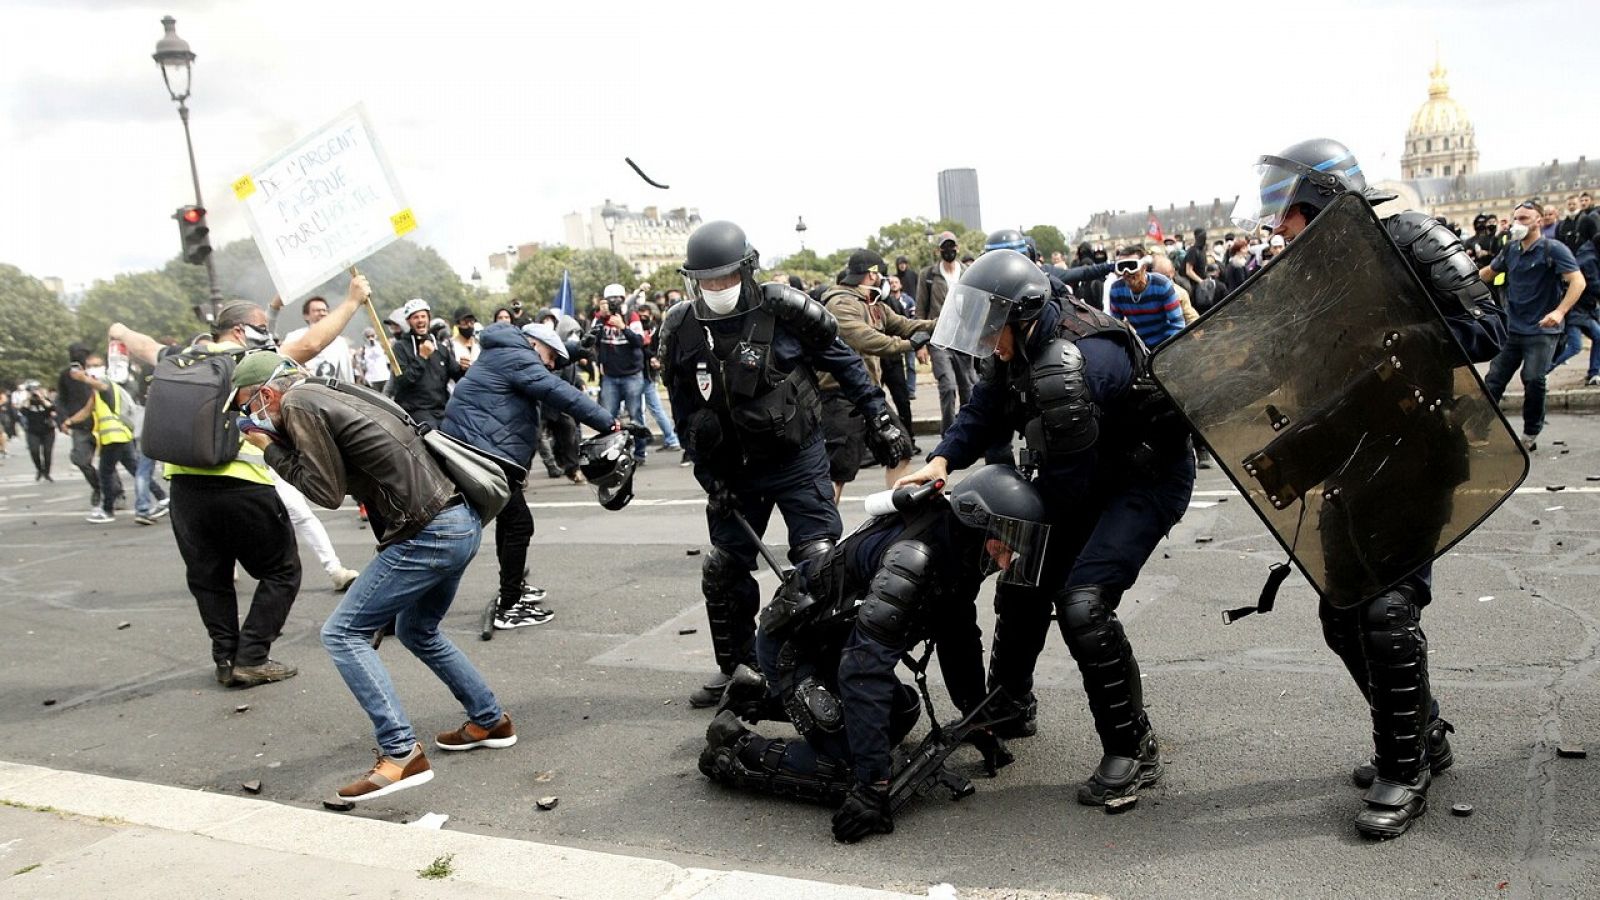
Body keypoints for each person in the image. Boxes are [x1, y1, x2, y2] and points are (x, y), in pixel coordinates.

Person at [1231, 137, 1508, 837]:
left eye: (1288, 210)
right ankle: (1423, 738)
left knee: (1387, 614)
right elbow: (1273, 353)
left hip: (1417, 452)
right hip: (1343, 454)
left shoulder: (1410, 235)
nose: (1279, 226)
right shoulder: (1307, 269)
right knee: (1341, 615)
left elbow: (1488, 326)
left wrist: (1407, 338)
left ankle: (1402, 771)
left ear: (1322, 197)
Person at [897, 248, 1196, 808]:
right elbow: (985, 407)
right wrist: (942, 459)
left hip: (1145, 480)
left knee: (1082, 601)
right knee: (1024, 578)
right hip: (1088, 472)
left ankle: (1133, 748)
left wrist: (1009, 537)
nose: (989, 342)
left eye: (993, 330)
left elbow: (1068, 494)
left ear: (1023, 315)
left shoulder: (1069, 365)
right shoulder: (1022, 339)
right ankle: (1009, 702)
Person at [699, 466, 1050, 843]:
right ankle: (733, 746)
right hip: (795, 649)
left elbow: (958, 638)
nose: (1004, 561)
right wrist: (872, 785)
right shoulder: (912, 561)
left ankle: (761, 696)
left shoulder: (959, 553)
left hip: (834, 648)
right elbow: (862, 670)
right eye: (1003, 543)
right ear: (976, 523)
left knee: (901, 712)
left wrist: (978, 721)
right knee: (853, 761)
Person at [230, 352, 515, 803]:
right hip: (456, 520)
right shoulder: (330, 391)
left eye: (246, 407)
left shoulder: (300, 403)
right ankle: (489, 719)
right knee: (417, 630)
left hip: (429, 532)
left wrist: (267, 448)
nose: (250, 418)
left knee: (342, 634)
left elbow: (322, 490)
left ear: (266, 394)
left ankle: (401, 752)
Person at [658, 220, 910, 708]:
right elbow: (685, 409)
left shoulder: (786, 312)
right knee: (724, 569)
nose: (716, 289)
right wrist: (708, 477)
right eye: (706, 281)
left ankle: (822, 666)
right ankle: (740, 669)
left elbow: (845, 362)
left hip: (797, 457)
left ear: (747, 270)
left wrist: (880, 415)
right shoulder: (684, 328)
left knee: (819, 563)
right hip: (732, 470)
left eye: (725, 278)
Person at [108, 276, 370, 688]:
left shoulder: (181, 357)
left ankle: (226, 659)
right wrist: (353, 301)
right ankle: (252, 656)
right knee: (282, 571)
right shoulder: (247, 360)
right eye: (261, 325)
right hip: (241, 483)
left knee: (209, 579)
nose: (267, 333)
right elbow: (310, 345)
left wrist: (119, 331)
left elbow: (142, 345)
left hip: (185, 491)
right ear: (238, 331)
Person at [443, 322, 617, 630]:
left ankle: (511, 592)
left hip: (480, 449)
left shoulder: (509, 351)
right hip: (485, 453)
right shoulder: (517, 357)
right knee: (519, 525)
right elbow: (558, 391)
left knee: (511, 523)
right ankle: (509, 606)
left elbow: (548, 366)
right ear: (535, 345)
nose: (551, 366)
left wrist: (576, 349)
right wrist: (607, 422)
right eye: (550, 358)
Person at [818, 250, 931, 498]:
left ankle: (897, 518)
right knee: (837, 473)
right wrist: (908, 345)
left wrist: (941, 325)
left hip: (868, 395)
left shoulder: (874, 304)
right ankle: (822, 534)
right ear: (872, 274)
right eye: (881, 273)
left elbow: (905, 325)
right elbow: (866, 339)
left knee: (900, 451)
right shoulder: (841, 303)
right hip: (840, 396)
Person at [1478, 200, 1586, 451]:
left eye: (1525, 219)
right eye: (1517, 218)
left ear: (1539, 221)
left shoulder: (1553, 249)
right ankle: (1478, 431)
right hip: (1513, 329)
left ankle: (1530, 433)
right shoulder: (1511, 250)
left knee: (1534, 379)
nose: (1519, 223)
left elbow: (1577, 282)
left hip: (1542, 330)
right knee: (1493, 380)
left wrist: (1559, 312)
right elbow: (1488, 273)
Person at [60, 353, 164, 526]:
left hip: (113, 435)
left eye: (95, 365)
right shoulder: (99, 390)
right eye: (89, 365)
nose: (92, 368)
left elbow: (100, 385)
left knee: (105, 474)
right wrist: (69, 421)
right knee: (135, 469)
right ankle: (161, 497)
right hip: (119, 436)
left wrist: (83, 378)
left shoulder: (106, 382)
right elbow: (87, 410)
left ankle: (107, 509)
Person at [917, 232, 976, 434]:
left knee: (968, 388)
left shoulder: (968, 272)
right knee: (948, 387)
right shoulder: (928, 276)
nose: (949, 250)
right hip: (939, 338)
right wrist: (920, 344)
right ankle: (949, 435)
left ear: (957, 248)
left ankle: (968, 433)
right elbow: (920, 312)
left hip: (963, 339)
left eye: (952, 246)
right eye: (944, 247)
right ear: (938, 250)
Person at [589, 283, 651, 463]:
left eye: (618, 298)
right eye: (611, 299)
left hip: (632, 374)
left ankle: (639, 453)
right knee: (608, 416)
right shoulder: (600, 318)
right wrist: (601, 318)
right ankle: (611, 452)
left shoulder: (631, 316)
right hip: (610, 375)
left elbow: (639, 341)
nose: (614, 302)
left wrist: (623, 327)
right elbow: (591, 339)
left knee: (635, 414)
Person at [57, 343, 114, 511]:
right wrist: (64, 419)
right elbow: (61, 399)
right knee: (80, 459)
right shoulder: (66, 375)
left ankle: (116, 492)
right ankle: (98, 487)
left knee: (109, 462)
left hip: (103, 422)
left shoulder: (99, 374)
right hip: (80, 424)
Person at [390, 297, 462, 428]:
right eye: (415, 317)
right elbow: (402, 381)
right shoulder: (400, 348)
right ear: (408, 321)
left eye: (423, 316)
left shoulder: (441, 348)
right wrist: (422, 357)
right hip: (414, 410)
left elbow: (457, 375)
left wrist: (464, 368)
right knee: (433, 438)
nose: (420, 320)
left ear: (429, 319)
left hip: (441, 409)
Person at [1108, 248, 1186, 348]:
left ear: (1143, 267)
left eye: (1131, 266)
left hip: (1167, 345)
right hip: (1140, 348)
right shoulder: (1116, 290)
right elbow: (1116, 326)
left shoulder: (1162, 285)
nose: (1126, 273)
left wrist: (1165, 351)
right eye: (1122, 267)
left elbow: (1178, 324)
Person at [1549, 232, 1600, 385]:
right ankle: (1543, 371)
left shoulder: (1588, 254)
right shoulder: (1589, 259)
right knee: (1575, 346)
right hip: (1578, 308)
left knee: (1585, 342)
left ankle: (1594, 373)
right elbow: (1594, 285)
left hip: (1580, 307)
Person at [634, 303, 682, 454]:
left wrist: (653, 357)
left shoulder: (653, 329)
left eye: (645, 312)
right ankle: (670, 438)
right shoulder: (641, 327)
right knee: (647, 409)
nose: (642, 315)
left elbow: (647, 347)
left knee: (652, 409)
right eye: (640, 312)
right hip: (641, 372)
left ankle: (671, 439)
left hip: (646, 374)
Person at [19, 382, 55, 481]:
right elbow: (22, 411)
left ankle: (47, 472)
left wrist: (42, 398)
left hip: (47, 430)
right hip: (32, 431)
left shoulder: (45, 400)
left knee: (47, 453)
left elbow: (52, 408)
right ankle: (39, 469)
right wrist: (28, 398)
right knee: (34, 451)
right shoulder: (27, 402)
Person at [357, 327, 391, 393]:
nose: (370, 338)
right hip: (371, 379)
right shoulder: (363, 349)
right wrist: (363, 377)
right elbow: (359, 365)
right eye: (368, 336)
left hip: (385, 377)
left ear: (375, 335)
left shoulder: (382, 345)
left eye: (372, 336)